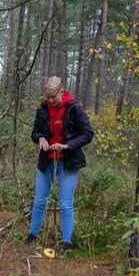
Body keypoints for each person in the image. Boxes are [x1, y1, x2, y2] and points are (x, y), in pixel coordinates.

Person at [28, 76, 94, 256]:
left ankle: (66, 242)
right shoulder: (42, 109)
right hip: (46, 161)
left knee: (65, 204)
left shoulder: (74, 108)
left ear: (62, 93)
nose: (50, 101)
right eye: (47, 97)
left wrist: (67, 145)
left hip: (68, 161)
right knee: (39, 200)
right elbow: (35, 132)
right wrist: (40, 138)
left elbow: (88, 134)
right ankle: (32, 236)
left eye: (53, 97)